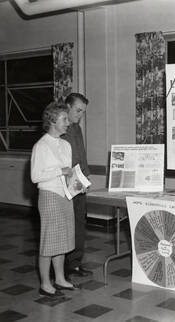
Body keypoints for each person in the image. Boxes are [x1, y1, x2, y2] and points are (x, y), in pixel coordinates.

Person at [31, 102, 79, 296]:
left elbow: (67, 173)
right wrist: (61, 171)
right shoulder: (41, 146)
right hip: (49, 195)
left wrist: (77, 184)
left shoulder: (65, 144)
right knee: (49, 241)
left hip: (65, 196)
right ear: (52, 121)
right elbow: (35, 176)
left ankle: (59, 278)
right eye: (64, 119)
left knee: (63, 240)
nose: (68, 123)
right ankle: (44, 283)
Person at [62, 93, 92, 277]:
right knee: (64, 225)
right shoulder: (59, 129)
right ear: (67, 106)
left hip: (78, 183)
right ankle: (59, 267)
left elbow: (81, 155)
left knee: (79, 223)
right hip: (64, 183)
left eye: (83, 112)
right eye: (78, 110)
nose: (80, 115)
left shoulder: (77, 129)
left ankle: (74, 263)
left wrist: (86, 177)